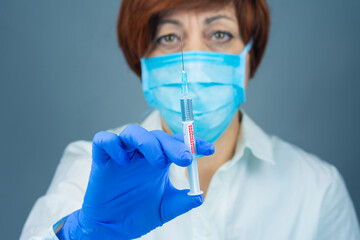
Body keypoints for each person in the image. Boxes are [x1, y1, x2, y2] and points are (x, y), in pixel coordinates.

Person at [21, 0, 360, 239]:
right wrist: (80, 235)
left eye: (220, 34)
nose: (194, 59)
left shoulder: (316, 188)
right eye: (169, 37)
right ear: (143, 62)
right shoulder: (96, 170)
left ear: (249, 57)